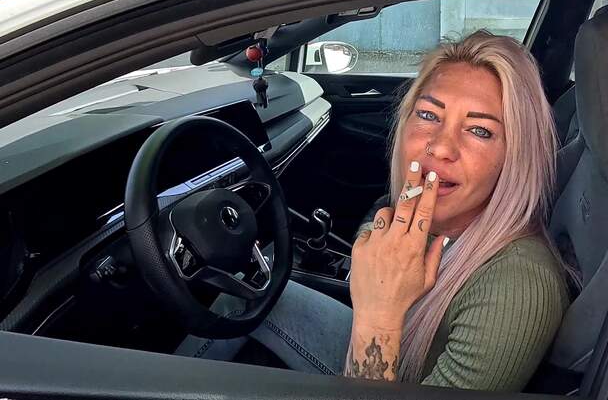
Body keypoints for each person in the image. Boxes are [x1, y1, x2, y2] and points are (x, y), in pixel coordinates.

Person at [180, 30, 568, 391]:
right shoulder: (443, 221)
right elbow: (383, 211)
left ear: (515, 156)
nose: (439, 147)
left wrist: (379, 315)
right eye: (429, 115)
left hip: (389, 374)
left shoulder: (518, 287)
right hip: (392, 359)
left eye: (479, 130)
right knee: (248, 295)